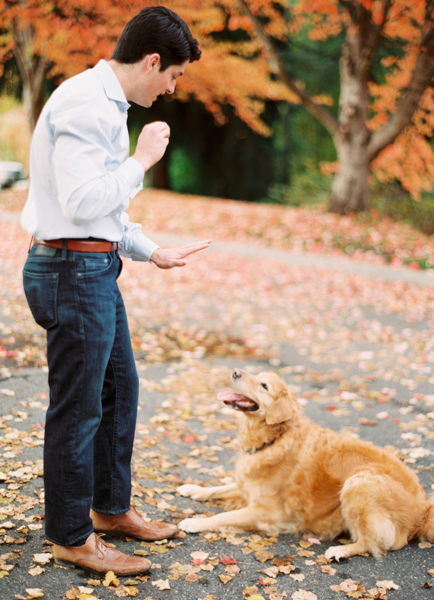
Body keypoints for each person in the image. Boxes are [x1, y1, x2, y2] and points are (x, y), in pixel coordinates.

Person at [20, 6, 211, 576]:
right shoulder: (85, 104)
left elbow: (102, 212)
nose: (173, 87)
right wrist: (142, 160)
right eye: (173, 75)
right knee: (79, 410)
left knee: (119, 389)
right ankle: (72, 535)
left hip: (91, 267)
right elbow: (80, 206)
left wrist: (151, 250)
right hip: (70, 272)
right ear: (152, 61)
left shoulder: (106, 104)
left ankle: (108, 509)